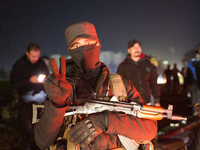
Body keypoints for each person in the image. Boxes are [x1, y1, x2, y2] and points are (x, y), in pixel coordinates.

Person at [34, 22, 157, 150]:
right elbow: (42, 141)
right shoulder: (61, 88)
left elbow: (150, 129)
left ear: (98, 44)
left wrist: (105, 121)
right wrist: (57, 104)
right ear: (70, 50)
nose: (83, 49)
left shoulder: (119, 85)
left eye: (88, 43)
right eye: (76, 45)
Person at [10, 43, 49, 150]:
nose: (35, 59)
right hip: (26, 100)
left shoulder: (41, 63)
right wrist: (29, 81)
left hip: (41, 98)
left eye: (37, 56)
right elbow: (14, 83)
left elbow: (47, 76)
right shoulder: (20, 65)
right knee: (26, 127)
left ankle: (42, 146)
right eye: (33, 56)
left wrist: (44, 80)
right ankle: (26, 146)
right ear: (27, 53)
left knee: (43, 126)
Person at [117, 39, 160, 106]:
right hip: (130, 103)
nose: (137, 49)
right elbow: (119, 85)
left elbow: (154, 83)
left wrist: (157, 101)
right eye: (134, 47)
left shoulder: (148, 64)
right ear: (129, 50)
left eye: (139, 47)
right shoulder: (123, 66)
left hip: (147, 101)